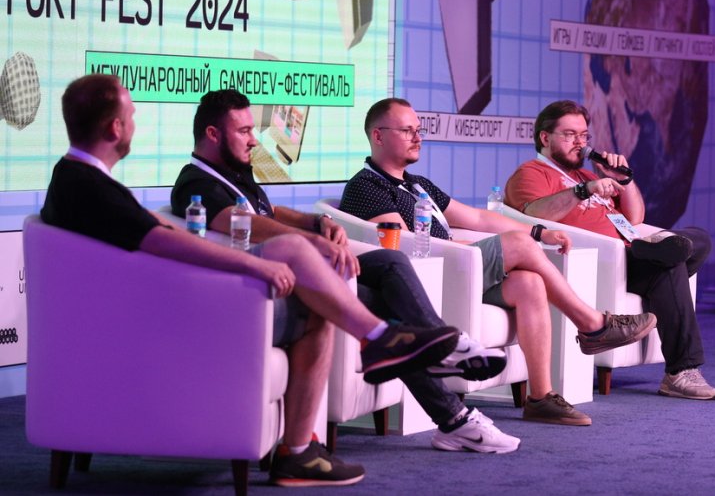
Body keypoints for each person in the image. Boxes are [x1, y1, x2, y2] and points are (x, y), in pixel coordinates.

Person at [41, 75, 462, 487]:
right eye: (131, 116)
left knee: (337, 283)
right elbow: (164, 243)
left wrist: (313, 225)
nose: (135, 125)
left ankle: (305, 443)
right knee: (298, 259)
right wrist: (253, 266)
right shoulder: (87, 185)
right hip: (165, 317)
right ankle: (379, 341)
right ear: (115, 128)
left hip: (158, 308)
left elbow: (158, 228)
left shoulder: (83, 179)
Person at [170, 89, 519, 454]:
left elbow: (268, 212)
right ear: (213, 134)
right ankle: (453, 407)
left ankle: (444, 355)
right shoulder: (197, 182)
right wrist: (309, 242)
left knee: (391, 262)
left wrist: (316, 221)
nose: (254, 140)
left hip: (300, 271)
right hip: (274, 283)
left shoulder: (234, 174)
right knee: (392, 310)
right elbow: (239, 221)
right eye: (244, 131)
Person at [340, 97, 658, 427]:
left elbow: (477, 217)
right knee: (519, 245)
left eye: (419, 130)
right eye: (408, 131)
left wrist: (539, 231)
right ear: (378, 136)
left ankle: (541, 397)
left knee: (529, 283)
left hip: (461, 269)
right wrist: (469, 248)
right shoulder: (367, 186)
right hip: (429, 276)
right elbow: (406, 244)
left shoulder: (418, 184)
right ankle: (592, 324)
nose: (418, 137)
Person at [504, 100, 715, 401]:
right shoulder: (532, 173)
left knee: (698, 240)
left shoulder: (588, 175)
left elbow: (635, 218)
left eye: (584, 136)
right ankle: (681, 372)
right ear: (545, 137)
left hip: (633, 257)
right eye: (570, 135)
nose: (580, 143)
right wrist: (582, 192)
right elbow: (535, 213)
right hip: (601, 264)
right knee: (670, 262)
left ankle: (660, 253)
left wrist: (624, 180)